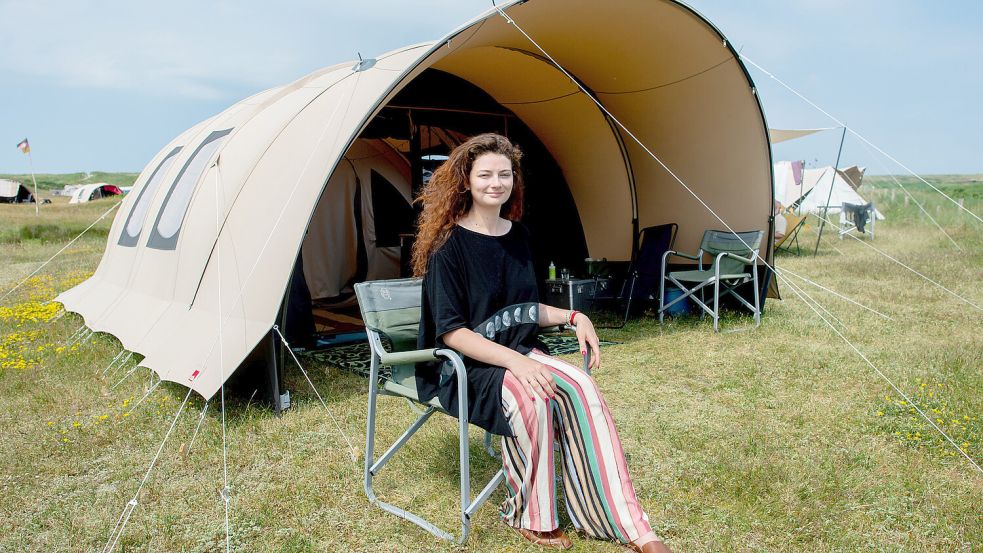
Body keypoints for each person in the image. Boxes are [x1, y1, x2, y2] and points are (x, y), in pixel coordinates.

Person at [412, 133, 670, 552]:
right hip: (467, 367)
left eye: (504, 174)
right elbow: (453, 332)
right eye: (485, 175)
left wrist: (574, 316)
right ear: (466, 180)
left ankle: (633, 526)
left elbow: (527, 307)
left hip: (519, 353)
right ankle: (530, 516)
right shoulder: (448, 246)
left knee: (584, 389)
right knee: (533, 399)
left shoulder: (519, 236)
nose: (496, 182)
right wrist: (517, 363)